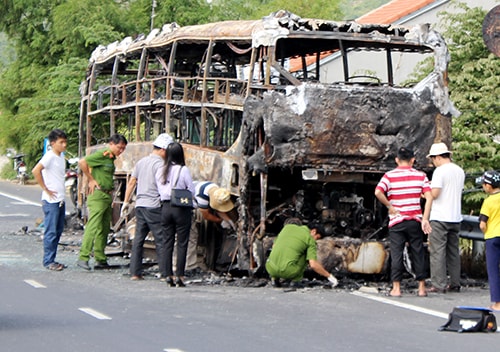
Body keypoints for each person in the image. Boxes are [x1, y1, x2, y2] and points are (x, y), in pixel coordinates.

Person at [374, 146, 432, 297]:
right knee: (418, 252)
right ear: (413, 160)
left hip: (397, 221)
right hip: (415, 220)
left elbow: (378, 191)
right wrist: (425, 219)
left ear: (396, 160)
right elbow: (429, 196)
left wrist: (389, 206)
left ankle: (397, 288)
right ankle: (421, 288)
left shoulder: (389, 176)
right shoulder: (421, 176)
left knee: (397, 253)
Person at [121, 133, 173, 281]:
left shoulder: (141, 162)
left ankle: (135, 273)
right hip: (154, 206)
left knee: (138, 239)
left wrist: (126, 202)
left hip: (140, 205)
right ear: (163, 150)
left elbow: (132, 182)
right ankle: (165, 274)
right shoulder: (161, 165)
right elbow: (164, 186)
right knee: (161, 239)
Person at [77, 134, 128, 270]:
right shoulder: (102, 155)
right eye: (119, 147)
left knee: (104, 228)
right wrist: (91, 179)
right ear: (111, 144)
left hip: (107, 195)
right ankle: (83, 257)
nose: (120, 151)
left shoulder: (111, 158)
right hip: (98, 195)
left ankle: (100, 258)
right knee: (93, 226)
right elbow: (82, 162)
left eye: (123, 148)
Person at [427, 142, 465, 293]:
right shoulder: (459, 171)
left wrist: (425, 193)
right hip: (456, 217)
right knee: (453, 252)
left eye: (433, 159)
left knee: (437, 252)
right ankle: (455, 283)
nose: (433, 162)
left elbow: (435, 194)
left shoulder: (440, 171)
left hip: (440, 217)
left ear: (437, 157)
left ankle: (438, 284)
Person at [157, 142, 195, 287]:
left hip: (165, 207)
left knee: (167, 242)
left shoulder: (160, 170)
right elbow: (191, 190)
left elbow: (159, 189)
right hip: (181, 208)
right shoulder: (183, 170)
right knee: (182, 242)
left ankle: (167, 275)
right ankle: (180, 275)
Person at [32, 129, 68, 271]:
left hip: (60, 200)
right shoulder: (50, 156)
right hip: (51, 201)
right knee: (51, 232)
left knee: (58, 231)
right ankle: (48, 261)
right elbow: (36, 170)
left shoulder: (60, 157)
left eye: (65, 142)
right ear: (53, 143)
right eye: (61, 142)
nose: (64, 145)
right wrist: (45, 188)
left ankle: (52, 259)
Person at [265, 218, 338, 288]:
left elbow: (274, 246)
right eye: (317, 238)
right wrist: (329, 276)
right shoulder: (310, 239)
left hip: (270, 268)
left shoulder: (287, 228)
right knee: (306, 255)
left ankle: (274, 279)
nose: (316, 240)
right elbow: (313, 265)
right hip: (288, 271)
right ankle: (295, 281)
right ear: (313, 231)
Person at [184, 182, 237, 271]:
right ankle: (189, 267)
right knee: (191, 237)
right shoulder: (202, 197)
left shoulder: (215, 189)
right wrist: (221, 221)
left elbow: (219, 208)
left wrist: (230, 221)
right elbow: (206, 215)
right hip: (185, 209)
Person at [478, 170, 500, 311]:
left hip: (492, 237)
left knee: (493, 270)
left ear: (488, 186)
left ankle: (497, 303)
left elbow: (482, 224)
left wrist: (484, 230)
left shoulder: (488, 201)